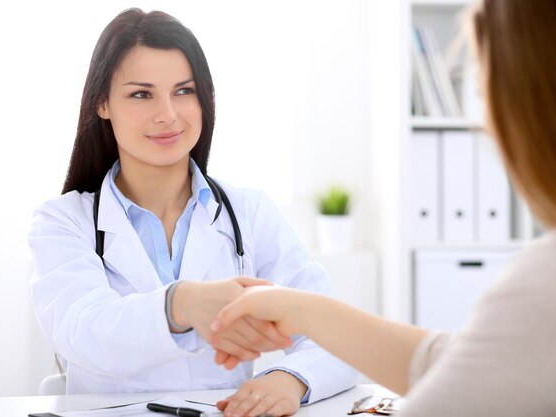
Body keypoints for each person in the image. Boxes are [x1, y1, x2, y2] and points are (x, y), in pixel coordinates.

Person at [211, 1, 556, 415]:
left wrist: (294, 360)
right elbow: (462, 364)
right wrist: (301, 309)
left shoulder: (543, 281)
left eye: (483, 90)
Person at [27, 7, 358, 417]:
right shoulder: (64, 221)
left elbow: (334, 332)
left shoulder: (249, 213)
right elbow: (82, 332)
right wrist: (179, 305)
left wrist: (291, 378)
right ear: (102, 104)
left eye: (184, 90)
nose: (167, 113)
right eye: (141, 94)